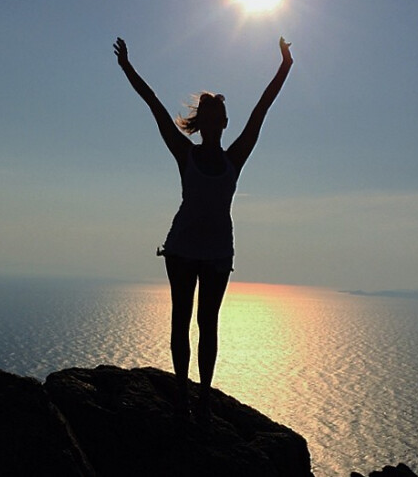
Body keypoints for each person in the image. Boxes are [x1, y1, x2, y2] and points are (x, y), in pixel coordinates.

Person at [113, 36, 293, 418]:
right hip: (181, 248)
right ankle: (181, 395)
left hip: (216, 253)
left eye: (217, 120)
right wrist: (127, 67)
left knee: (208, 325)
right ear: (202, 123)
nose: (212, 125)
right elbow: (156, 107)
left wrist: (285, 66)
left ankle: (204, 400)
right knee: (182, 320)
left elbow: (262, 107)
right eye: (207, 119)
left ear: (224, 123)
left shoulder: (236, 157)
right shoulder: (186, 153)